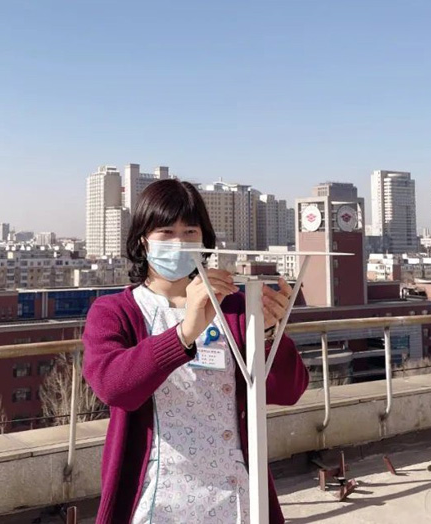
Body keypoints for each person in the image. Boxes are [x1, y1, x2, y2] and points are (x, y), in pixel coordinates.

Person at [83, 179, 309, 524]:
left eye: (190, 232)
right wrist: (183, 333)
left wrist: (269, 335)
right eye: (166, 232)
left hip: (234, 495)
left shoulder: (232, 306)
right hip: (156, 496)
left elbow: (288, 390)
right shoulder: (115, 311)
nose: (179, 243)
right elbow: (114, 387)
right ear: (143, 240)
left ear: (204, 239)